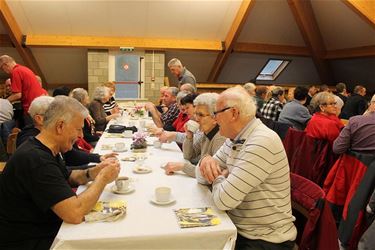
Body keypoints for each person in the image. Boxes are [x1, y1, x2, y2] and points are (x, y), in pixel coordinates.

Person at [0, 96, 120, 249]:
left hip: (44, 227)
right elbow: (74, 213)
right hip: (29, 240)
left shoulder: (47, 148)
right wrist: (103, 179)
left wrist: (93, 172)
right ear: (60, 126)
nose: (81, 136)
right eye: (78, 129)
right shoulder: (36, 159)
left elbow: (68, 176)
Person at [196, 86, 296, 249]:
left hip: (265, 239)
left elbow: (223, 200)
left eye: (217, 113)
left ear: (233, 113)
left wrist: (218, 175)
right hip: (239, 228)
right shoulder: (234, 138)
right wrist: (205, 161)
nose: (215, 119)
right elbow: (200, 176)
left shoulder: (261, 141)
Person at [16, 96, 116, 168]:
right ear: (39, 119)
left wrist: (97, 160)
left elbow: (65, 168)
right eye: (52, 114)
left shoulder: (52, 138)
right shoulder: (33, 148)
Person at [164, 93, 226, 177]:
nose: (196, 119)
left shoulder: (220, 138)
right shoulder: (206, 133)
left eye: (200, 115)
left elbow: (211, 174)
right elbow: (188, 156)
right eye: (196, 114)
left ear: (215, 118)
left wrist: (183, 167)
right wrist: (189, 136)